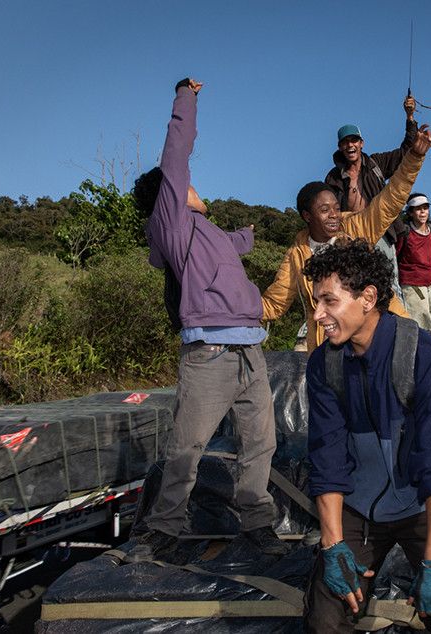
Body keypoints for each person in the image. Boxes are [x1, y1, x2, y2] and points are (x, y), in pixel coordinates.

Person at [127, 77, 288, 562]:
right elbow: (177, 150)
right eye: (184, 184)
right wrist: (186, 96)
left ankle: (257, 523)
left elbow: (230, 248)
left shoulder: (206, 230)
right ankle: (164, 529)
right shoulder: (172, 223)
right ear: (169, 195)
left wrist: (247, 235)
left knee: (261, 443)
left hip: (249, 353)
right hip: (210, 353)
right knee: (186, 447)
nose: (193, 185)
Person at [301, 239, 431, 633]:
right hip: (360, 507)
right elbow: (327, 458)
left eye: (329, 301)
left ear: (367, 297)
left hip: (424, 502)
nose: (317, 315)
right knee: (324, 618)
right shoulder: (323, 365)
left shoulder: (427, 358)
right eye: (316, 302)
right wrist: (332, 547)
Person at [261, 124, 431, 353]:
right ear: (307, 216)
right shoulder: (297, 254)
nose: (334, 215)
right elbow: (274, 303)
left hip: (377, 338)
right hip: (332, 349)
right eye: (324, 210)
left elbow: (391, 198)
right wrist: (229, 305)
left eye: (336, 207)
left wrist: (414, 156)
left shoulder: (356, 228)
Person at [324, 96, 418, 306]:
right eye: (345, 142)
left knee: (390, 285)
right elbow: (327, 211)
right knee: (353, 287)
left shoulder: (376, 163)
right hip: (350, 236)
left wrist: (410, 117)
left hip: (380, 232)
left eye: (354, 140)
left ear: (361, 143)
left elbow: (406, 153)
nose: (350, 145)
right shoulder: (333, 177)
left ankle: (399, 330)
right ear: (340, 147)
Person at [396, 192, 431, 332]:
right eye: (418, 208)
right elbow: (395, 257)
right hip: (412, 281)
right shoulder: (405, 233)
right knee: (420, 318)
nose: (423, 211)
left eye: (425, 208)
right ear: (411, 213)